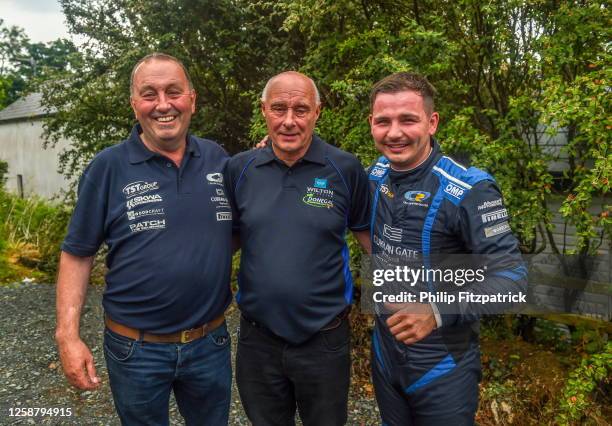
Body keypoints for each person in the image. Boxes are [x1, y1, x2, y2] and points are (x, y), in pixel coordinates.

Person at [55, 53, 233, 426]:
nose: (163, 104)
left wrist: (273, 156)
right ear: (134, 104)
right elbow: (77, 254)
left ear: (192, 100)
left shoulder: (219, 160)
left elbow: (241, 228)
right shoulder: (107, 167)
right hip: (135, 349)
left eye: (174, 92)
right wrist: (68, 337)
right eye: (149, 94)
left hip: (209, 344)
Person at [366, 72, 527, 425]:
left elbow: (514, 280)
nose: (394, 133)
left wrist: (437, 311)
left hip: (443, 362)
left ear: (432, 122)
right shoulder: (375, 174)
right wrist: (272, 151)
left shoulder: (471, 188)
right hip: (384, 350)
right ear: (372, 125)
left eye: (408, 119)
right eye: (383, 121)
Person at [225, 71, 371, 426]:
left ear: (318, 112)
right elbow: (222, 244)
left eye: (301, 109)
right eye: (279, 109)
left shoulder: (346, 168)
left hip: (324, 339)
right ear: (264, 111)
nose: (289, 121)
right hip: (257, 341)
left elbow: (372, 244)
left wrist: (410, 309)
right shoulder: (239, 169)